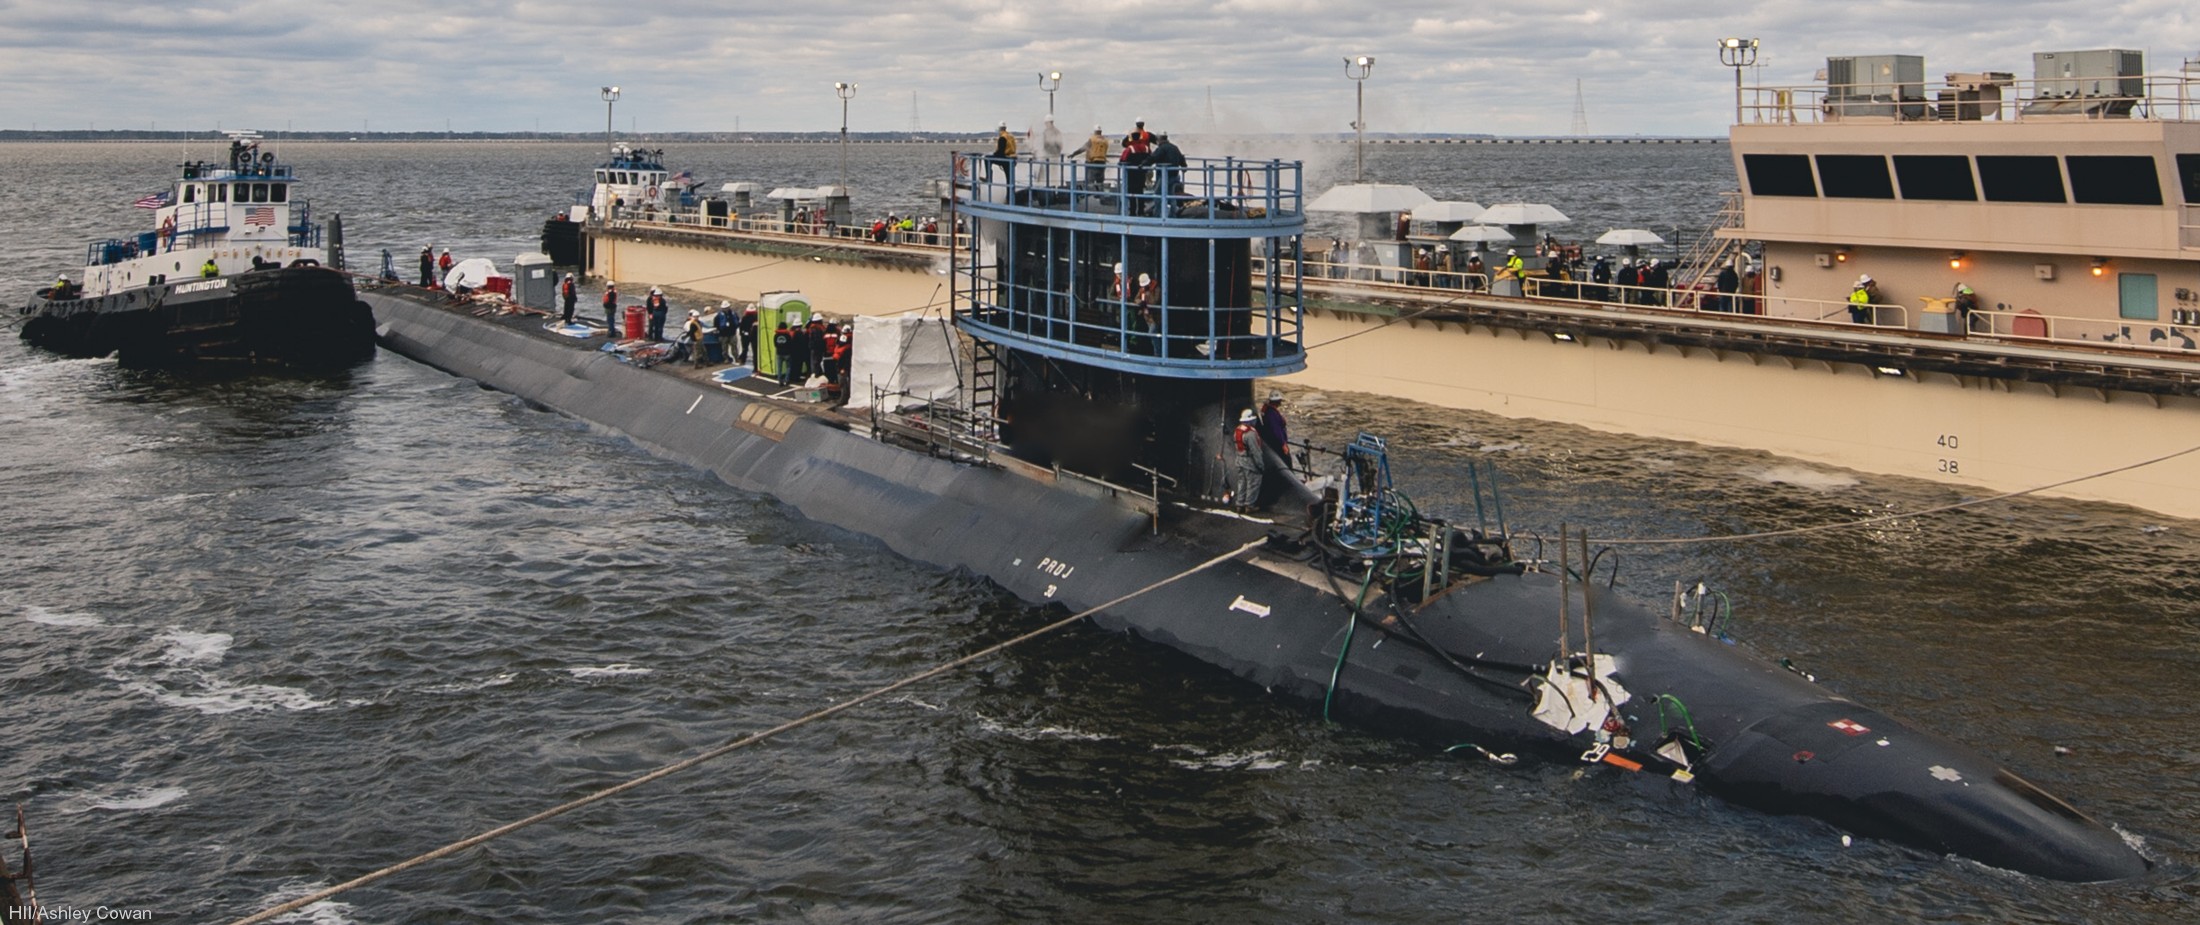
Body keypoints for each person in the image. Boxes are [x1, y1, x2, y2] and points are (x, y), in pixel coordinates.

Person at [1231, 408, 1263, 512]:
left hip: (1239, 460)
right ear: (1251, 421)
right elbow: (1256, 452)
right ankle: (1249, 506)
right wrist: (1261, 465)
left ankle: (1239, 504)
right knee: (1253, 482)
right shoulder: (1251, 433)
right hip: (1249, 462)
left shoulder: (1237, 430)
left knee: (1242, 483)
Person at [1149, 131, 1186, 209]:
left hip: (1164, 176)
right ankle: (1173, 213)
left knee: (1157, 195)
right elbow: (1181, 158)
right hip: (1175, 175)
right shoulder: (1174, 147)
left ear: (1159, 139)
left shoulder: (1161, 149)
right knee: (1171, 195)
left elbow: (1153, 158)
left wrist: (1143, 165)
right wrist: (1184, 166)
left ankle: (1158, 215)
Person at [1120, 120, 1155, 197]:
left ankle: (1132, 208)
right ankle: (1141, 207)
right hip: (1143, 169)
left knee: (1132, 191)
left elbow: (1122, 158)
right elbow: (1151, 156)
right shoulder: (1147, 137)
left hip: (1132, 172)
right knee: (1141, 189)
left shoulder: (1130, 147)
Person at [771, 319, 795, 385]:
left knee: (779, 368)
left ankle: (780, 381)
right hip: (787, 353)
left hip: (779, 353)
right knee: (788, 367)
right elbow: (790, 343)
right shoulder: (787, 335)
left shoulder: (776, 335)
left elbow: (775, 344)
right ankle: (787, 380)